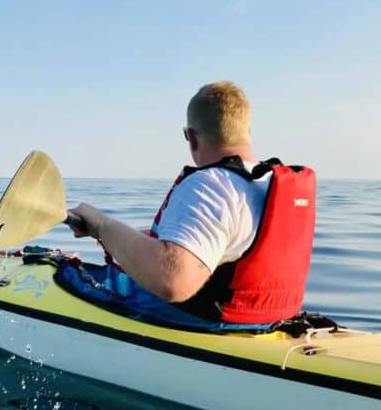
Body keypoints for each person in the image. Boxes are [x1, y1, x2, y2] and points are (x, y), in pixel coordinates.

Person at [67, 81, 316, 325]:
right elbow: (215, 244)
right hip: (268, 320)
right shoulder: (268, 183)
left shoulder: (211, 184)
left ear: (191, 138)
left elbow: (173, 282)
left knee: (69, 276)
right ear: (247, 132)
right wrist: (112, 238)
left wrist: (101, 225)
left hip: (207, 322)